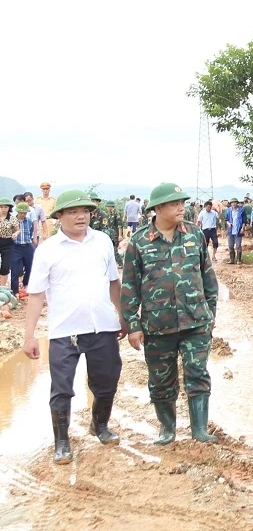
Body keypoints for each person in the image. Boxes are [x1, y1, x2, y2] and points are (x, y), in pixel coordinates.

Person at [22, 190, 127, 463]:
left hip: (102, 326)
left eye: (85, 211)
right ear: (59, 217)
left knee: (106, 381)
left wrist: (122, 315)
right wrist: (29, 335)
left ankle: (100, 425)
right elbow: (36, 295)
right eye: (72, 212)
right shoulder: (47, 250)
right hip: (64, 331)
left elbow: (114, 282)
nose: (81, 216)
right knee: (62, 388)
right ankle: (62, 443)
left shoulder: (103, 241)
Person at [121, 183, 220, 445]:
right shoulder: (140, 241)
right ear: (158, 208)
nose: (181, 207)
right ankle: (167, 429)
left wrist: (210, 315)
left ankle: (199, 430)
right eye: (175, 203)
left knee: (197, 374)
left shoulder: (195, 235)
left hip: (196, 322)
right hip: (157, 326)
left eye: (182, 202)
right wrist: (133, 325)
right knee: (161, 381)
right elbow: (129, 286)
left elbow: (208, 278)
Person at [11, 202, 37, 299]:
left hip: (27, 245)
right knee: (15, 269)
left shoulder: (29, 221)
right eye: (21, 212)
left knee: (31, 267)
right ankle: (15, 290)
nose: (23, 214)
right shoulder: (12, 221)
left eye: (25, 213)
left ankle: (26, 285)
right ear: (17, 212)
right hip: (15, 247)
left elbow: (31, 231)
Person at [0, 197, 17, 288]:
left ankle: (2, 288)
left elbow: (17, 230)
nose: (3, 209)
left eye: (5, 207)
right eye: (1, 207)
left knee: (5, 266)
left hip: (7, 242)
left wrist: (15, 234)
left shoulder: (12, 218)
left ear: (9, 208)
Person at [103, 199, 124, 267]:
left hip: (115, 234)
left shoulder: (116, 214)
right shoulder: (109, 215)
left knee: (114, 250)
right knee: (110, 249)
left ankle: (121, 263)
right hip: (110, 234)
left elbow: (120, 225)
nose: (107, 208)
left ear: (111, 207)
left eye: (107, 207)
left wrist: (120, 235)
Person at [225, 197, 246, 264]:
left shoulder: (241, 210)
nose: (233, 204)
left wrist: (242, 228)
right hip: (230, 230)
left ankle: (239, 260)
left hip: (238, 230)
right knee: (230, 246)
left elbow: (244, 221)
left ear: (237, 203)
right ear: (230, 204)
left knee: (238, 246)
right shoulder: (228, 210)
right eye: (232, 203)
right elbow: (226, 220)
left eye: (235, 202)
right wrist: (228, 223)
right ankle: (232, 259)